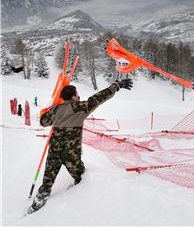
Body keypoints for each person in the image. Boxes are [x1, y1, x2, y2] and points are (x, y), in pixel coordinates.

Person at [28, 78, 133, 214]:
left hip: (54, 151)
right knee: (81, 178)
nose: (78, 97)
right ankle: (81, 203)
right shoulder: (79, 107)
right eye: (77, 95)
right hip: (71, 154)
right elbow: (100, 97)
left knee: (47, 182)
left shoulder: (56, 110)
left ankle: (36, 205)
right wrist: (117, 85)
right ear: (73, 97)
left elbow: (43, 121)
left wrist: (49, 110)